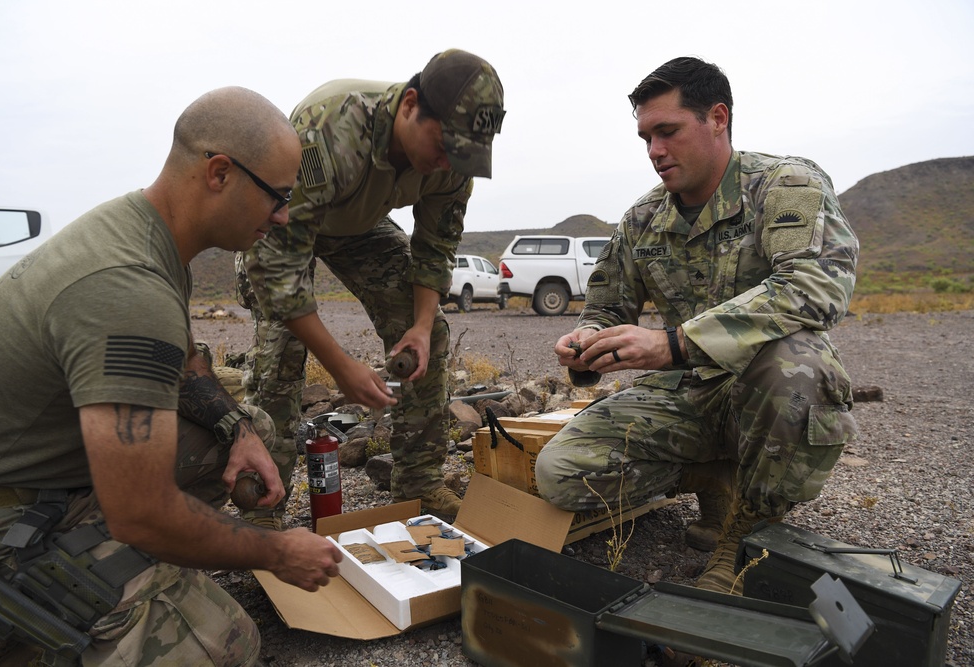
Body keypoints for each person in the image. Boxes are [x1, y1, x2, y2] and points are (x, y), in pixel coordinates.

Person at [0, 86, 342, 666]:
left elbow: (187, 363)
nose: (284, 216)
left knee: (249, 430)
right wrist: (277, 551)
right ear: (219, 172)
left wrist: (238, 430)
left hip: (41, 473)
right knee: (229, 646)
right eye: (278, 196)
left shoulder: (150, 236)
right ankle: (16, 632)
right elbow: (138, 511)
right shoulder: (128, 287)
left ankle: (142, 573)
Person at [536, 56, 859, 595]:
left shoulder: (784, 186)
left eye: (668, 131)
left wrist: (676, 343)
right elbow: (609, 305)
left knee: (794, 365)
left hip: (764, 389)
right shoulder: (643, 218)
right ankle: (714, 475)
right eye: (645, 137)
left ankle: (745, 540)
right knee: (561, 472)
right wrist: (587, 342)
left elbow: (814, 287)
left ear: (717, 118)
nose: (654, 152)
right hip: (690, 396)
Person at [237, 49, 505, 521]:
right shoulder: (332, 131)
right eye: (443, 145)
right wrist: (340, 367)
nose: (447, 161)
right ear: (409, 105)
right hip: (279, 225)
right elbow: (279, 265)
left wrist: (420, 327)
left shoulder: (454, 159)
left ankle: (418, 484)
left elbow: (435, 245)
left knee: (434, 335)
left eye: (461, 154)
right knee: (280, 353)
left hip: (357, 227)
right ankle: (265, 507)